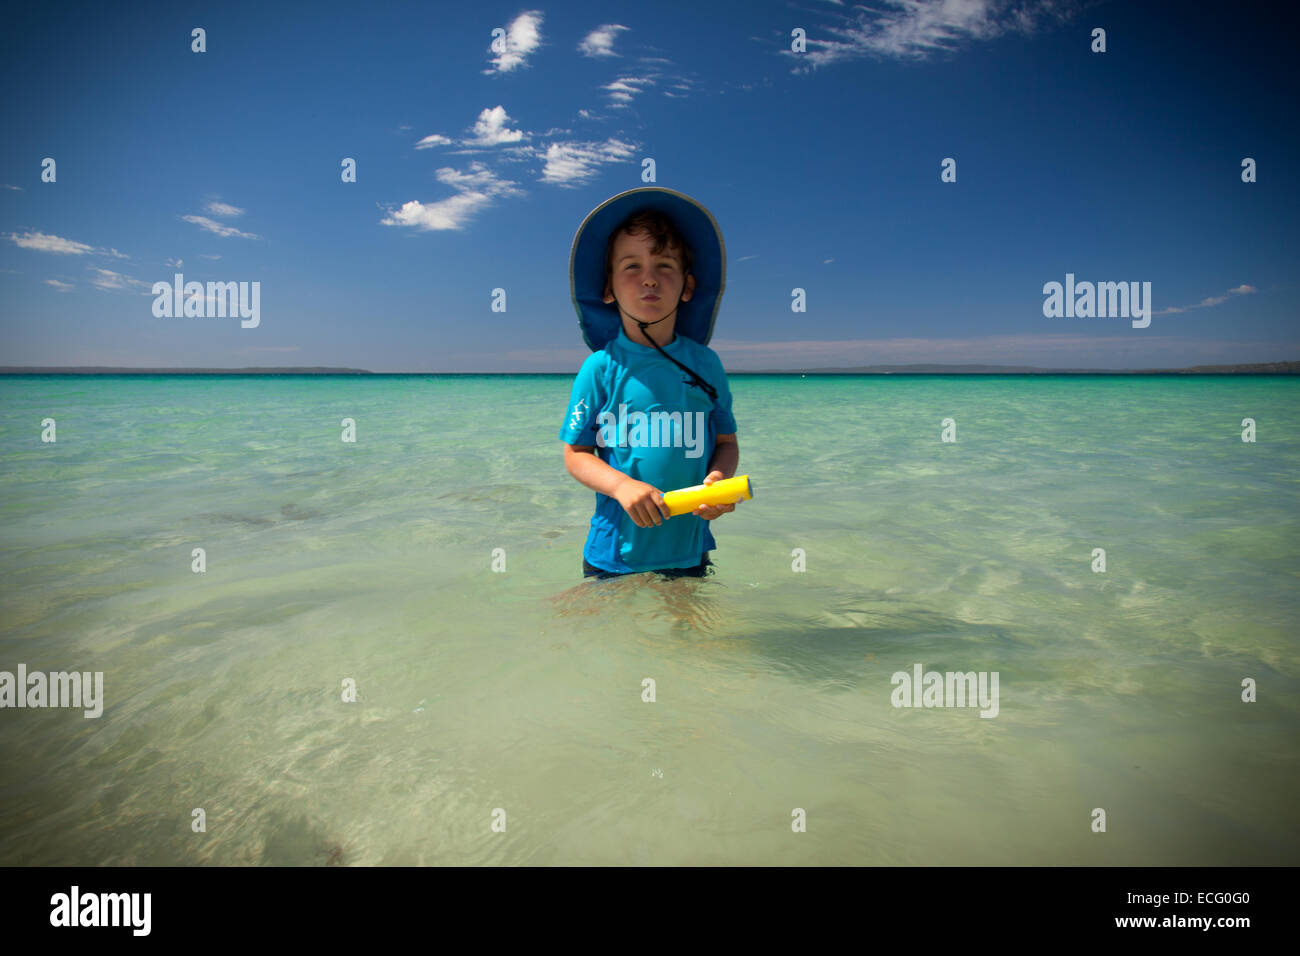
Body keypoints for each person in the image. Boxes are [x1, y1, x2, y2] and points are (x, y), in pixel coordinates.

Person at [559, 187, 740, 578]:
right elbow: (576, 453)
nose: (649, 280)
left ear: (687, 287)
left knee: (693, 638)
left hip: (689, 549)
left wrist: (719, 481)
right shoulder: (600, 367)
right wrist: (622, 486)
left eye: (664, 266)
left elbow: (725, 442)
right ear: (608, 289)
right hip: (614, 554)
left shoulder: (707, 364)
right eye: (632, 267)